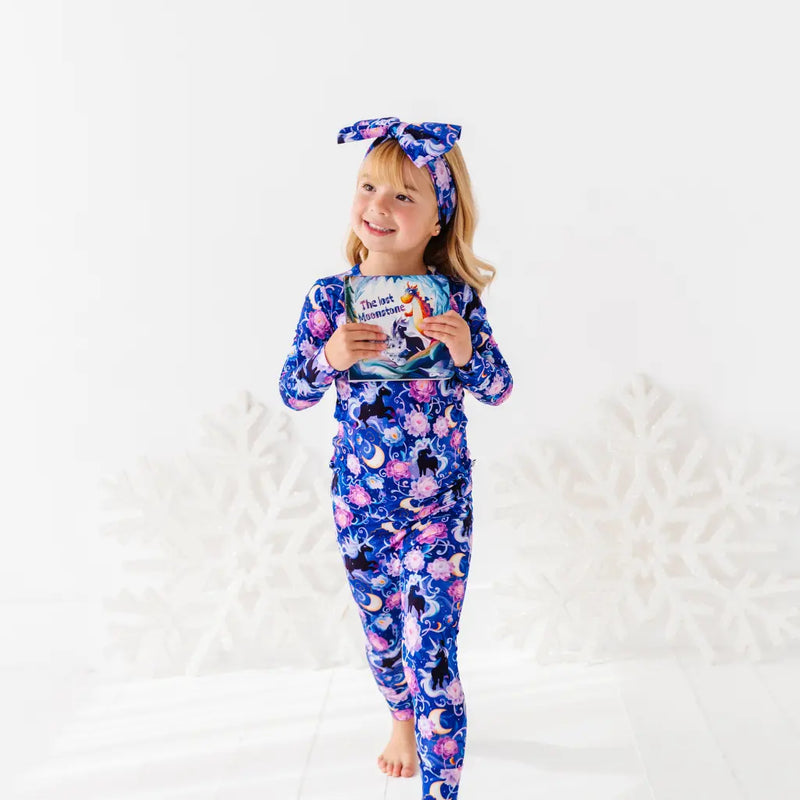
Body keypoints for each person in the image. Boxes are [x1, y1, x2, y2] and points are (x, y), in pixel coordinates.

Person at [278, 117, 513, 800]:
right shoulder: (331, 300)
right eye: (368, 187)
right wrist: (330, 357)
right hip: (360, 511)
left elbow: (499, 388)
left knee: (432, 654)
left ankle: (442, 789)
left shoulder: (457, 303)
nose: (378, 206)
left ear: (439, 218)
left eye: (403, 195)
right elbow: (293, 391)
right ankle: (401, 721)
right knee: (383, 640)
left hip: (440, 514)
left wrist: (465, 350)